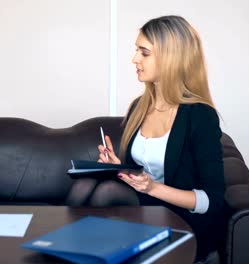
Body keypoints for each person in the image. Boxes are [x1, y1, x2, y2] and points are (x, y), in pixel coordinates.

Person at [72, 16, 227, 263]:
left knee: (106, 193)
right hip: (145, 207)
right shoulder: (140, 106)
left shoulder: (200, 115)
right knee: (85, 184)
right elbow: (143, 176)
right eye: (136, 51)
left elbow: (211, 201)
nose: (134, 59)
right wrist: (118, 167)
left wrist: (153, 188)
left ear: (171, 58)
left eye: (144, 53)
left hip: (184, 218)